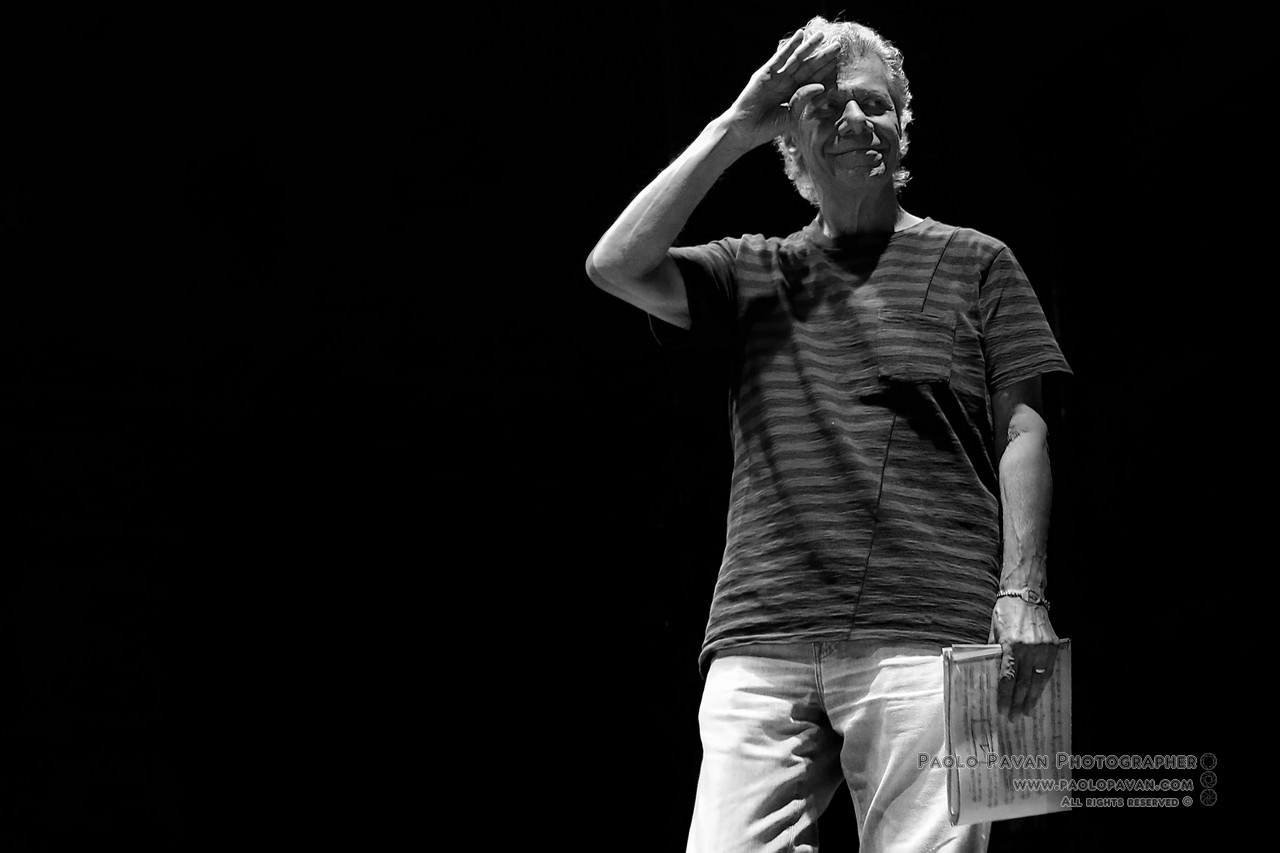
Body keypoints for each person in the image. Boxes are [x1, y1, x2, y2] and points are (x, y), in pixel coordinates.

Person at [586, 16, 1070, 853]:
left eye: (875, 104)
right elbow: (614, 265)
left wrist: (1023, 596)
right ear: (791, 139)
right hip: (762, 627)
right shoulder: (753, 268)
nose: (854, 120)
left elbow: (1022, 430)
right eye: (826, 106)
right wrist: (735, 125)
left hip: (934, 625)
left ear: (902, 124)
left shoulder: (978, 260)